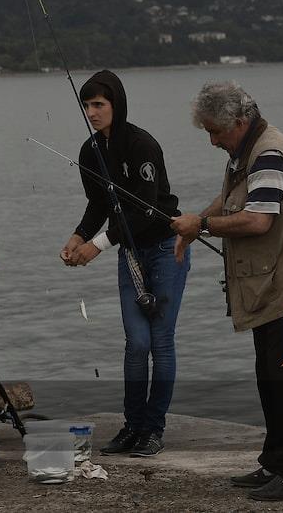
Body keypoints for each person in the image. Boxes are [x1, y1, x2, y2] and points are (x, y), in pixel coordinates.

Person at [172, 81, 283, 502]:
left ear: (239, 123)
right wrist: (195, 221)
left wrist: (200, 227)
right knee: (270, 378)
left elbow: (259, 219)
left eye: (216, 132)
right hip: (268, 288)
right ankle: (274, 461)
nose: (212, 141)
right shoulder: (246, 151)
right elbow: (230, 200)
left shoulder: (270, 152)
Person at [59, 70, 189, 458]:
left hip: (166, 247)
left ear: (117, 104)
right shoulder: (89, 151)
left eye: (98, 104)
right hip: (129, 254)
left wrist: (97, 244)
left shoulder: (141, 144)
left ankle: (154, 429)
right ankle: (132, 426)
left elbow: (148, 209)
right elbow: (100, 203)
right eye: (86, 105)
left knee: (160, 342)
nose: (91, 112)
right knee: (136, 343)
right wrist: (79, 235)